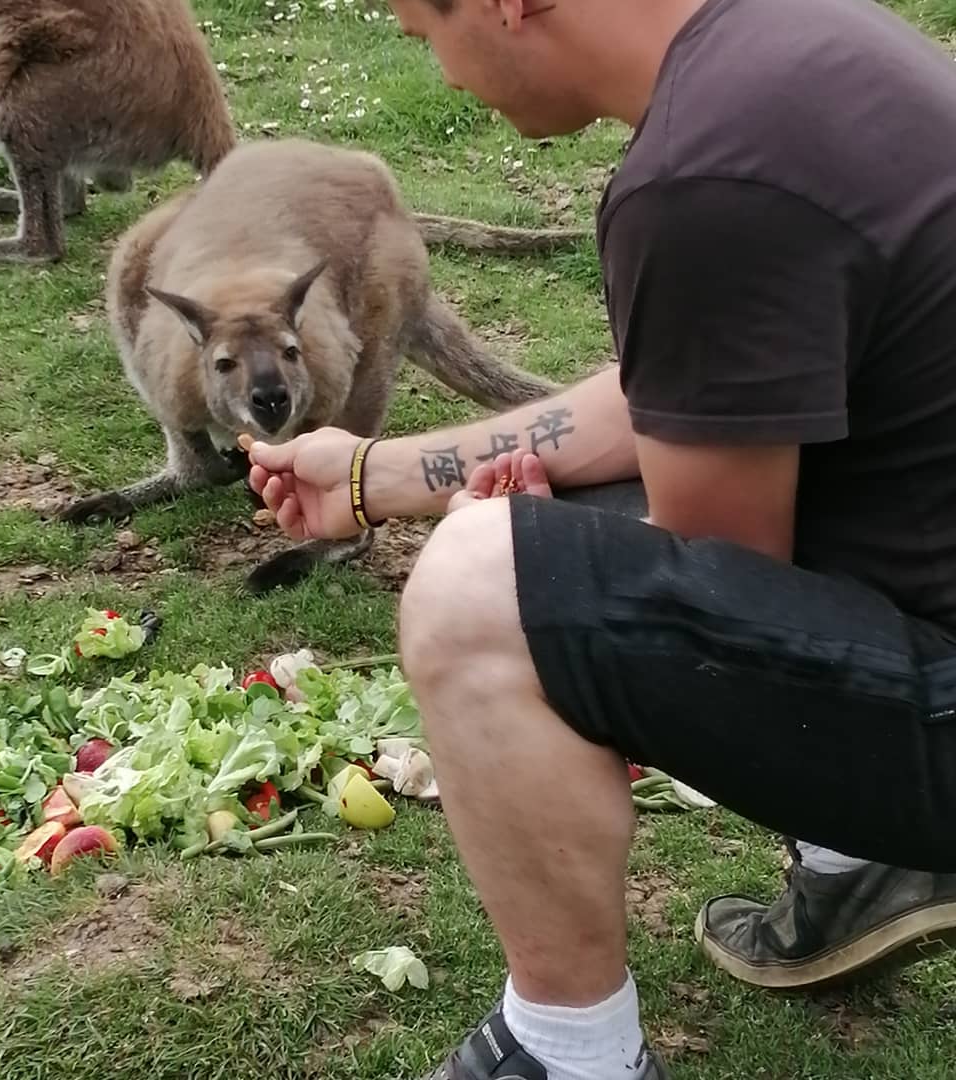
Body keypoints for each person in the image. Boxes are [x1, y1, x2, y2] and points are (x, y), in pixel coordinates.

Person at [248, 0, 956, 1077]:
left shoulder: (699, 179)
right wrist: (371, 474)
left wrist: (507, 544)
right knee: (555, 547)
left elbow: (722, 590)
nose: (441, 75)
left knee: (482, 592)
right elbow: (692, 397)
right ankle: (860, 860)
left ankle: (566, 1054)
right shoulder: (800, 48)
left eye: (420, 34)